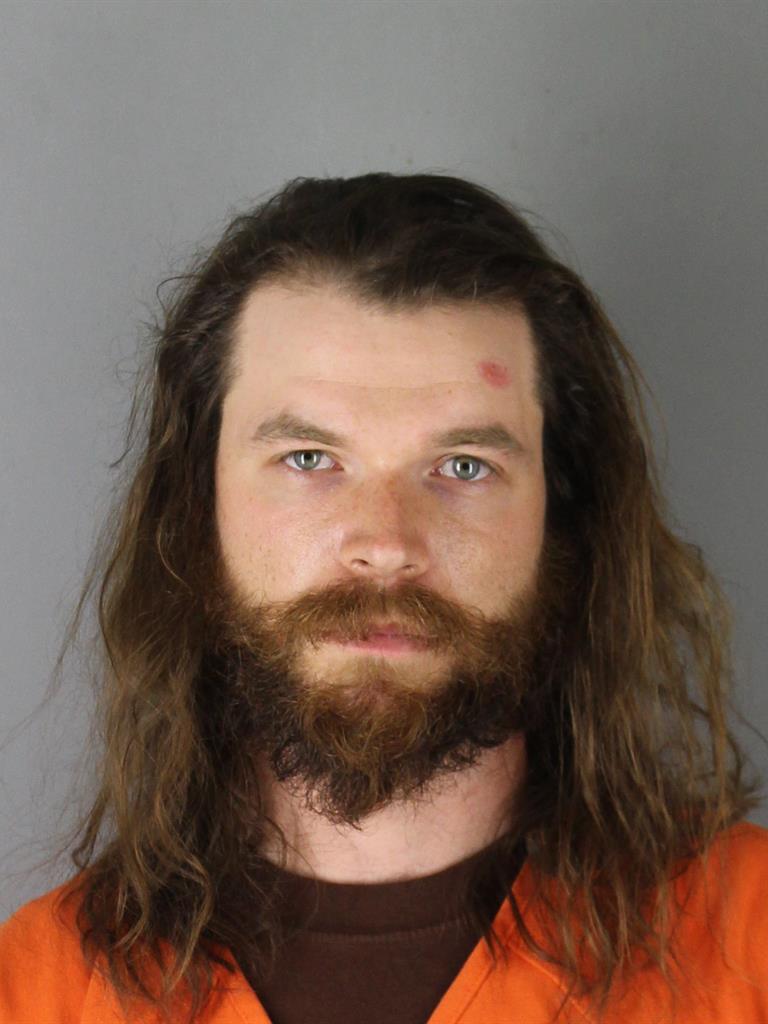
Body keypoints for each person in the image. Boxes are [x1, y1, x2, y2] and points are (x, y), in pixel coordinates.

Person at [1, 172, 766, 1024]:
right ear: (197, 511)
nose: (386, 542)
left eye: (464, 466)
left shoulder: (751, 942)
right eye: (308, 460)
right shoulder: (35, 992)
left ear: (564, 517)